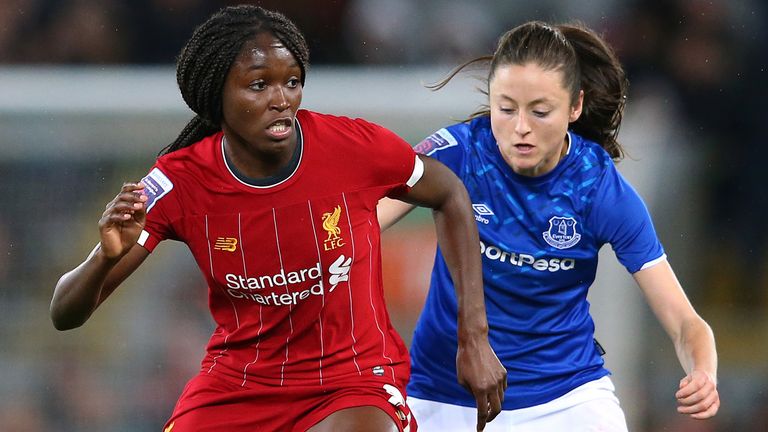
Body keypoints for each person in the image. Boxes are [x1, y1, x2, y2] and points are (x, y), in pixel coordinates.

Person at [49, 5, 507, 432]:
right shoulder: (177, 183)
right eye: (258, 85)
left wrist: (474, 338)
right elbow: (64, 314)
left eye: (291, 81)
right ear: (216, 95)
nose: (281, 99)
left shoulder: (354, 149)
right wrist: (105, 259)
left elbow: (449, 192)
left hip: (354, 381)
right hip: (239, 386)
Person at [378, 21, 720, 431]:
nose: (521, 126)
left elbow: (684, 321)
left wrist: (703, 372)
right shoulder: (457, 154)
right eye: (505, 109)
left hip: (565, 398)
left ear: (574, 106)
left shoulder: (599, 189)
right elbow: (360, 223)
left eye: (540, 111)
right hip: (443, 396)